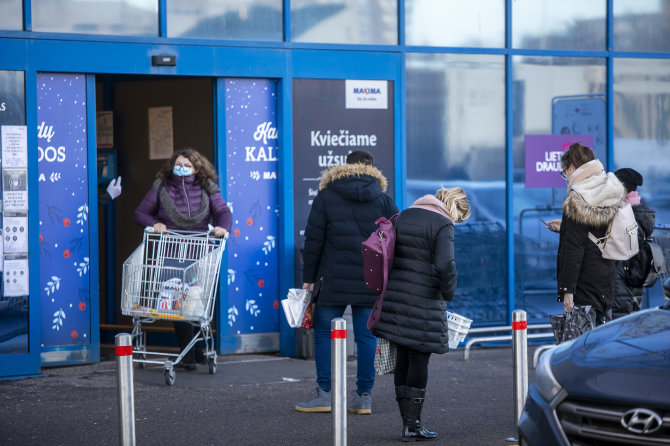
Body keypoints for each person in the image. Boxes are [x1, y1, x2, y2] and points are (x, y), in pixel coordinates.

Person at [296, 150, 398, 415]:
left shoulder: (327, 196)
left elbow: (314, 240)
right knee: (366, 336)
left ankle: (325, 394)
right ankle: (363, 397)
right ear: (373, 170)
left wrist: (308, 279)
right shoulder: (383, 199)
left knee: (323, 333)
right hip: (370, 279)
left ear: (345, 166)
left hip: (333, 278)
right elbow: (396, 240)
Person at [372, 186, 470, 442]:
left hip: (396, 297)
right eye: (459, 217)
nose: (456, 222)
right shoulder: (443, 224)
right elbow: (444, 264)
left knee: (404, 358)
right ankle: (413, 425)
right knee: (419, 360)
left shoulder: (405, 214)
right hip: (423, 300)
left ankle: (407, 423)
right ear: (455, 207)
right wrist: (449, 292)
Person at [134, 148, 232, 370]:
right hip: (170, 250)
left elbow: (224, 212)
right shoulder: (162, 185)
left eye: (187, 165)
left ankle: (196, 352)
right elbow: (140, 213)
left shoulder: (207, 186)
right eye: (178, 164)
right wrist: (154, 224)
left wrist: (222, 228)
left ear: (197, 168)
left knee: (195, 302)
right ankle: (188, 354)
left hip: (199, 252)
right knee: (176, 300)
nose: (182, 168)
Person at [552, 143, 626, 326]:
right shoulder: (609, 193)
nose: (566, 177)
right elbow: (596, 230)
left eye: (565, 171)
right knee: (601, 342)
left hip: (583, 285)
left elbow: (574, 249)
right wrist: (566, 227)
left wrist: (567, 290)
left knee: (583, 344)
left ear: (574, 168)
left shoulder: (578, 200)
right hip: (605, 279)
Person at [611, 168, 656, 318]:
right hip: (623, 290)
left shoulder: (629, 218)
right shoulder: (631, 214)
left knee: (619, 333)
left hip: (622, 293)